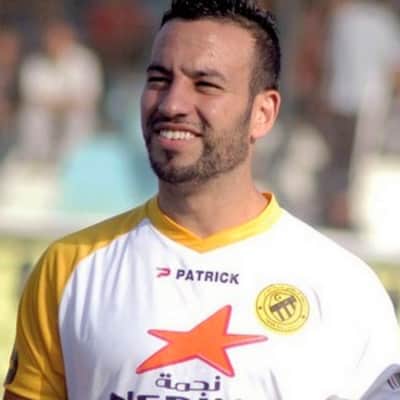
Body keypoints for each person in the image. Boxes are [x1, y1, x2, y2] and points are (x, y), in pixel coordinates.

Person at [3, 1, 400, 399]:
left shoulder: (345, 287)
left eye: (206, 85)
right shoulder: (68, 267)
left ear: (263, 113)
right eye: (159, 79)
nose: (172, 104)